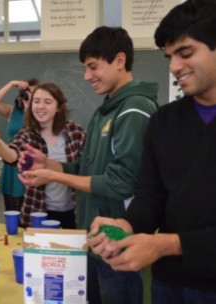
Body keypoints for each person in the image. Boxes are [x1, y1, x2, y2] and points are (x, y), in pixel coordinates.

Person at [18, 27, 159, 304]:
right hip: (93, 239)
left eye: (93, 66)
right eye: (85, 68)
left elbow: (122, 182)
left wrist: (54, 176)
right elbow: (87, 169)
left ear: (119, 61)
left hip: (116, 242)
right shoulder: (106, 109)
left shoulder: (134, 109)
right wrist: (51, 165)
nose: (86, 76)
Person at [87, 1, 216, 303]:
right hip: (168, 283)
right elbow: (150, 196)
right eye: (169, 57)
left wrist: (166, 244)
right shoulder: (164, 121)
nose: (173, 67)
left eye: (185, 53)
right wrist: (126, 224)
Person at [0, 82, 86, 228]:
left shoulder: (74, 130)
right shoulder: (28, 133)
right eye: (36, 101)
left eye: (47, 102)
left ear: (58, 107)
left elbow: (87, 166)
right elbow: (12, 156)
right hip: (39, 211)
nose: (40, 106)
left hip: (75, 211)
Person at [0, 79, 39, 212]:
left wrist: (30, 105)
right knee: (12, 214)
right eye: (25, 91)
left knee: (30, 216)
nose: (28, 95)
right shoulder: (13, 111)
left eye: (32, 93)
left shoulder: (41, 114)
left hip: (31, 166)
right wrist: (11, 83)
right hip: (11, 166)